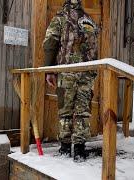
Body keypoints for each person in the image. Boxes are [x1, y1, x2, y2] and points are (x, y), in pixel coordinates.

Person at [43, 0, 99, 162]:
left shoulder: (60, 18)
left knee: (65, 110)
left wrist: (49, 71)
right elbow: (94, 47)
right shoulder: (90, 20)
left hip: (66, 72)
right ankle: (80, 149)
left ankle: (66, 148)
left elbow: (50, 44)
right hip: (87, 73)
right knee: (82, 111)